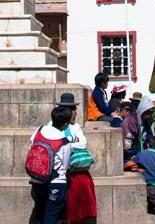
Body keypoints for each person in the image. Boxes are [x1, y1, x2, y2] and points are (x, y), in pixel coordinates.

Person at [53, 94, 97, 224]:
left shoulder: (76, 127)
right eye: (73, 110)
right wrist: (72, 143)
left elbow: (82, 143)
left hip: (76, 169)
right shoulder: (53, 125)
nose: (75, 114)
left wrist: (68, 144)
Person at [28, 106, 73, 224]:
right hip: (56, 183)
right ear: (65, 124)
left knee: (38, 215)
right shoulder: (64, 141)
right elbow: (65, 164)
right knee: (51, 217)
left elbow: (31, 148)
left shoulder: (39, 131)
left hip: (37, 180)